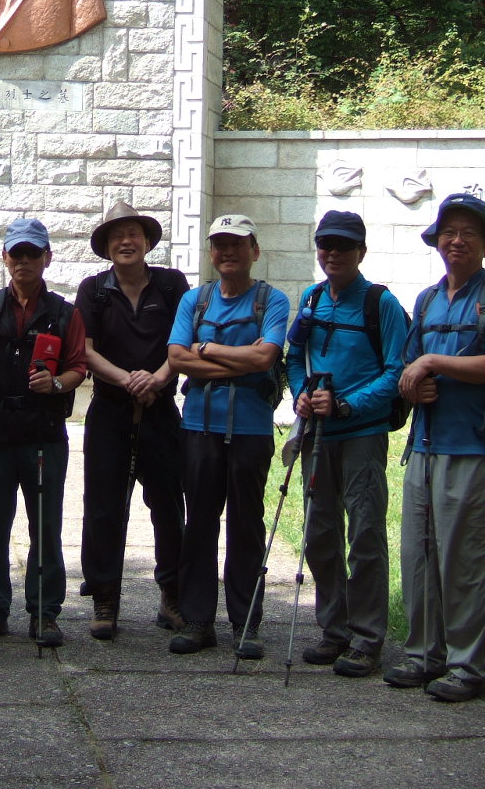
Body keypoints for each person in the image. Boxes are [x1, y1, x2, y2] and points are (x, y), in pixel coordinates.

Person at [389, 192, 485, 702]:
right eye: (449, 232)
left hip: (478, 447)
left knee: (466, 560)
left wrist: (432, 364)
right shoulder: (427, 300)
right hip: (424, 446)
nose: (457, 240)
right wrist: (414, 383)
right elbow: (408, 364)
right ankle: (424, 654)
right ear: (437, 241)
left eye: (469, 233)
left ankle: (468, 666)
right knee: (418, 555)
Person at [283, 210, 408, 678]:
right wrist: (301, 393)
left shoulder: (381, 304)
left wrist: (346, 405)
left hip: (361, 435)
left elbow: (396, 373)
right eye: (326, 245)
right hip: (317, 435)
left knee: (365, 534)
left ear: (361, 252)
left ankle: (366, 638)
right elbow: (294, 357)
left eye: (343, 246)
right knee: (319, 535)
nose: (332, 253)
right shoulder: (312, 298)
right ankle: (333, 629)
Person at [165, 214, 290, 658]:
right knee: (199, 523)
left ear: (254, 251)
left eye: (237, 243)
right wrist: (237, 360)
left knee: (246, 525)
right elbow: (176, 358)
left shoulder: (272, 301)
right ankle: (197, 620)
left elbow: (265, 358)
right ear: (211, 252)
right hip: (199, 427)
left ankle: (245, 623)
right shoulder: (194, 300)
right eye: (219, 244)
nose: (227, 252)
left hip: (251, 429)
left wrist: (208, 349)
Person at [0, 218, 89, 647]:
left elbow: (78, 367)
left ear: (47, 258)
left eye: (33, 253)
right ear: (5, 258)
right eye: (16, 253)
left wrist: (55, 384)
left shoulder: (65, 313)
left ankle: (45, 613)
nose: (24, 261)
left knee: (46, 527)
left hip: (43, 435)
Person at [75, 202, 189, 640]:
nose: (126, 241)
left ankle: (172, 595)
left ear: (146, 242)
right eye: (117, 236)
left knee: (168, 504)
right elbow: (85, 350)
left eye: (133, 234)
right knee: (104, 506)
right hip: (110, 410)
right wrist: (127, 380)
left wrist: (158, 378)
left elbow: (185, 341)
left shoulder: (171, 284)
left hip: (160, 408)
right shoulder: (94, 290)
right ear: (106, 246)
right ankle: (104, 597)